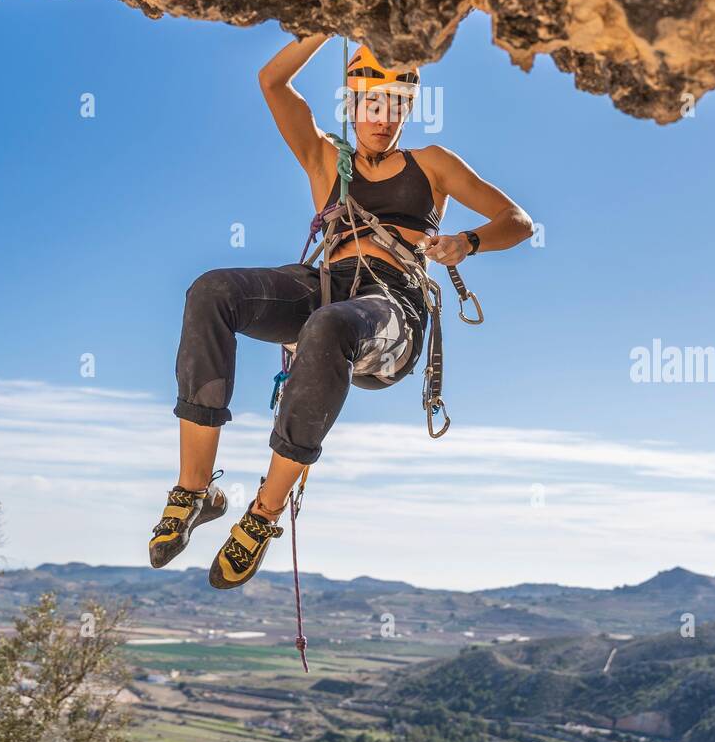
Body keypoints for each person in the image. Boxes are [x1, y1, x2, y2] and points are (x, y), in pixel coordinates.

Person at [149, 36, 533, 587]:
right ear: (351, 106)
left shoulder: (433, 164)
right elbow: (272, 84)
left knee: (328, 326)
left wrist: (468, 241)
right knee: (211, 291)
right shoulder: (326, 156)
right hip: (326, 285)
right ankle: (195, 488)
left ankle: (262, 515)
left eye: (394, 106)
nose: (383, 118)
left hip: (390, 306)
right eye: (371, 104)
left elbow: (516, 220)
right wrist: (321, 27)